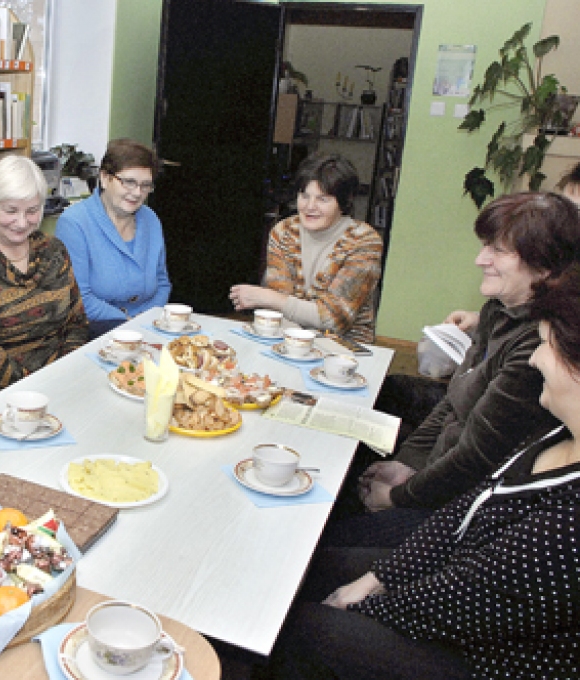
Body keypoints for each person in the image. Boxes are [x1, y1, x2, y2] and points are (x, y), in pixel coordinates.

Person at [261, 263, 580, 680]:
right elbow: (463, 512)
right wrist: (377, 577)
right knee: (306, 571)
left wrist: (362, 603)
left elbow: (464, 602)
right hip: (457, 579)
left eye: (548, 347)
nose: (536, 357)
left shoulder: (569, 523)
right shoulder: (558, 433)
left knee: (291, 627)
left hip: (484, 658)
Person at [334, 192, 577, 548]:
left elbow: (475, 458)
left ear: (543, 267)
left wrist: (398, 496)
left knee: (329, 539)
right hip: (438, 469)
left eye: (498, 250)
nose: (480, 259)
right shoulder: (498, 309)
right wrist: (406, 463)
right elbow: (452, 400)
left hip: (459, 506)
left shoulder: (535, 346)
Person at [0, 155, 88, 392]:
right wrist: (34, 386)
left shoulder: (53, 250)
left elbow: (77, 321)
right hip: (1, 391)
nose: (22, 223)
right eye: (11, 210)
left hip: (62, 379)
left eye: (32, 211)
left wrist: (64, 373)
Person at [229, 153, 382, 343]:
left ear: (343, 202)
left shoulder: (364, 242)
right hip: (287, 340)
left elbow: (333, 320)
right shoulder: (284, 232)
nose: (310, 207)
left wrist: (266, 297)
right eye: (304, 196)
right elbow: (279, 309)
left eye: (322, 199)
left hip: (345, 348)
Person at [55, 139, 171, 338]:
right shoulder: (74, 223)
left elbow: (162, 283)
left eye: (145, 185)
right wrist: (129, 323)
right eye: (129, 182)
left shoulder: (151, 219)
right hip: (95, 332)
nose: (137, 193)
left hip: (149, 328)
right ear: (105, 178)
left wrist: (146, 320)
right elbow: (79, 298)